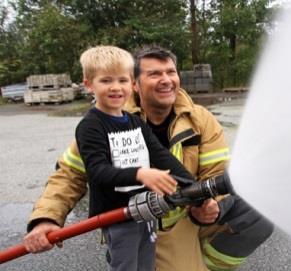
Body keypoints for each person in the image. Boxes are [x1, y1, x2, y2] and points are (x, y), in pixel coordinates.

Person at [24, 45, 274, 271]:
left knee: (261, 213)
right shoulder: (105, 122)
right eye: (154, 74)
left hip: (188, 215)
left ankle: (204, 264)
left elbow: (215, 171)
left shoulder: (199, 118)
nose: (166, 80)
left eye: (170, 72)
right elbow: (69, 176)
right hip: (143, 220)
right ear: (136, 83)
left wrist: (211, 204)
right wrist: (45, 219)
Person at [76, 45, 197, 270]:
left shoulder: (134, 122)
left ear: (132, 84)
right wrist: (140, 174)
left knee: (146, 265)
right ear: (88, 84)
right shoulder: (91, 126)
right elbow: (97, 171)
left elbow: (161, 156)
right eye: (106, 81)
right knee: (126, 266)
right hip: (117, 217)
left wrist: (193, 186)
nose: (116, 88)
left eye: (122, 80)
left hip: (144, 212)